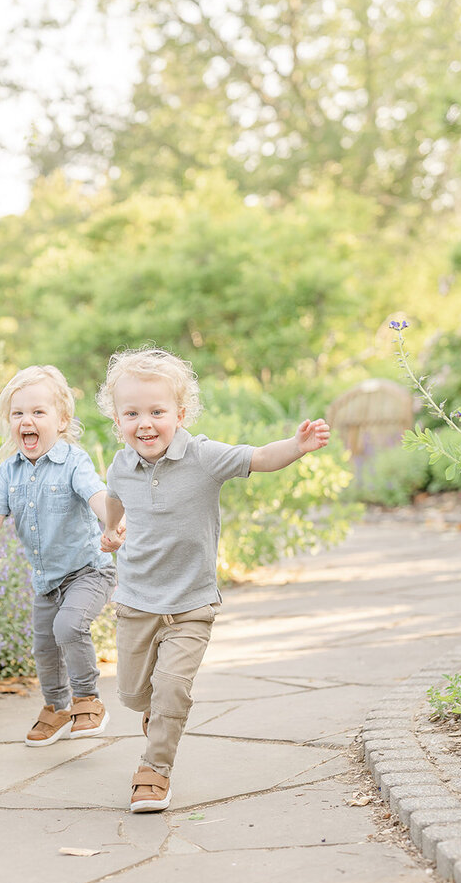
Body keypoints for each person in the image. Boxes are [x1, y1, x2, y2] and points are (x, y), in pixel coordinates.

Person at [97, 347, 330, 813]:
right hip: (137, 600)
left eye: (157, 412)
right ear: (118, 420)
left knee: (173, 689)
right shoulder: (121, 464)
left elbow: (260, 457)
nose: (145, 423)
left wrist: (296, 447)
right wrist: (110, 528)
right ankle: (153, 713)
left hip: (191, 603)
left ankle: (154, 770)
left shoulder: (203, 457)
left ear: (179, 415)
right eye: (132, 413)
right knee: (132, 692)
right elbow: (116, 500)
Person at [0, 365, 120, 747]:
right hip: (46, 581)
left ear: (62, 419)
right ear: (9, 422)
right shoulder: (8, 471)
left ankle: (87, 700)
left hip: (89, 571)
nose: (27, 421)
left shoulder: (74, 462)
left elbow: (97, 496)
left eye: (38, 412)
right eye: (18, 414)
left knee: (68, 628)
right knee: (44, 647)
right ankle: (56, 707)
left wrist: (112, 522)